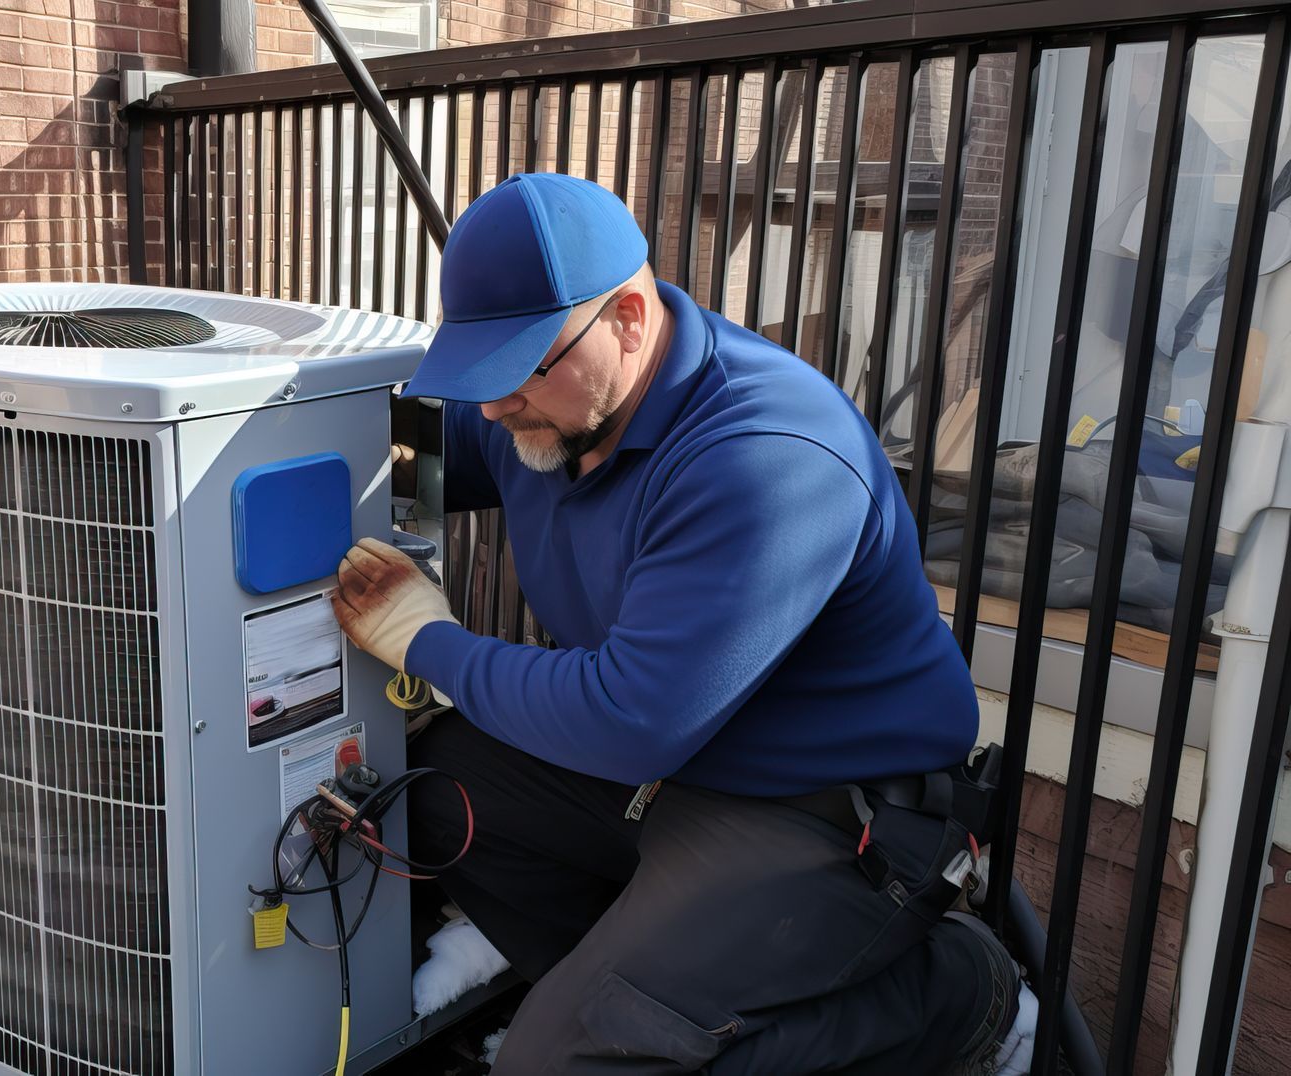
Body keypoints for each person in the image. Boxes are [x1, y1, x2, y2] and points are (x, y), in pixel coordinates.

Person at [331, 173, 1022, 1074]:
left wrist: (429, 640)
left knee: (558, 1066)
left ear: (627, 317)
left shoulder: (762, 455)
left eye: (520, 369)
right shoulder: (558, 406)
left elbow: (632, 718)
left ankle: (954, 995)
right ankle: (629, 1004)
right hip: (677, 775)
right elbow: (414, 448)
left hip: (818, 813)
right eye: (479, 371)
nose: (494, 408)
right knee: (432, 789)